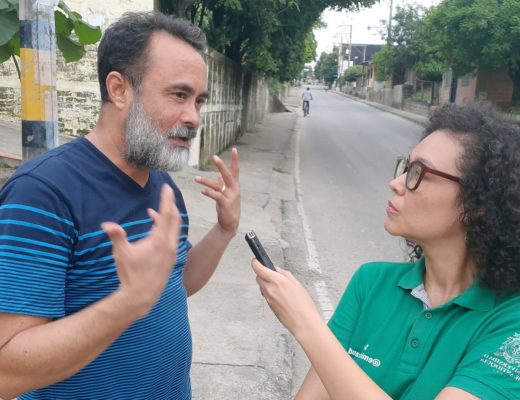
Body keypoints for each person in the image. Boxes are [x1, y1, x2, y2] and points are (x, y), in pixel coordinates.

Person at [0, 11, 240, 400]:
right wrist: (127, 303)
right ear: (119, 89)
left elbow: (174, 283)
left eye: (199, 100)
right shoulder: (43, 194)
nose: (194, 117)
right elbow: (6, 371)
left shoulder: (161, 184)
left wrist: (224, 230)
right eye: (179, 95)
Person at [252, 104, 520, 399]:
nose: (395, 183)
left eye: (418, 173)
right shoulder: (371, 283)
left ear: (477, 203)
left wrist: (306, 323)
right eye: (405, 167)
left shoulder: (511, 320)